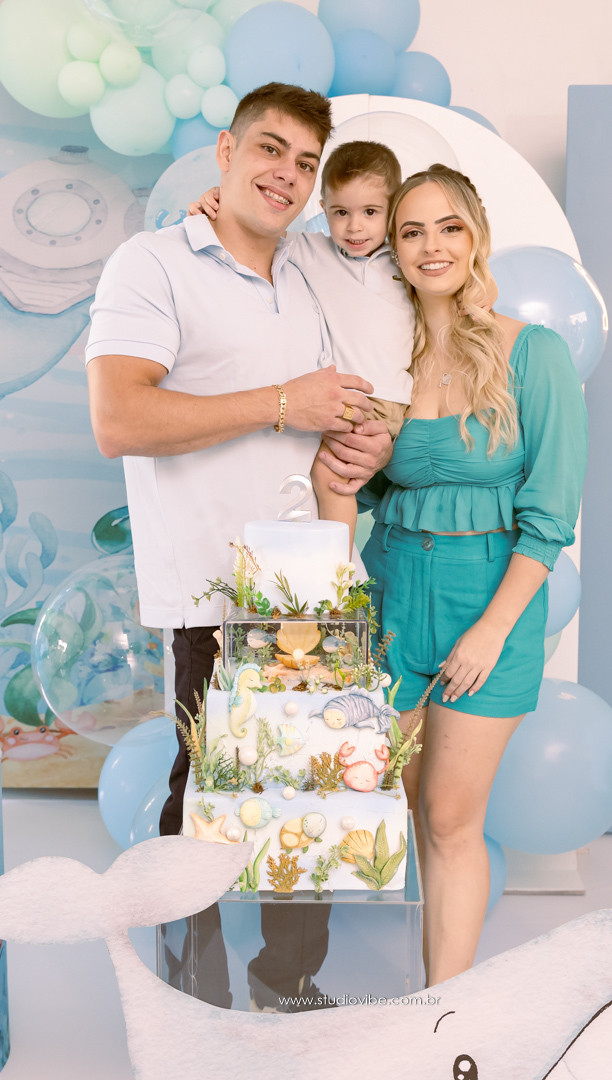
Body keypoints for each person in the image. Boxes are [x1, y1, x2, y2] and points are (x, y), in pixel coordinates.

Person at [85, 81, 393, 1011]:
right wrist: (281, 404)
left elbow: (359, 385)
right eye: (269, 149)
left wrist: (369, 441)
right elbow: (119, 417)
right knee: (206, 803)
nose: (287, 174)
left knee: (312, 798)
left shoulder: (311, 267)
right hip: (213, 592)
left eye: (305, 162)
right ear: (225, 151)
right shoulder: (151, 263)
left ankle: (285, 983)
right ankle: (189, 1005)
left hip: (312, 583)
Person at [360, 164, 588, 987]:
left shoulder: (534, 354)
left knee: (453, 821)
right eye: (412, 231)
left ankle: (444, 1019)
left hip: (487, 604)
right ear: (393, 248)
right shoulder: (384, 359)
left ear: (476, 236)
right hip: (392, 598)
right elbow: (369, 488)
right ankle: (433, 995)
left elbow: (550, 514)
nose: (432, 246)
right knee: (409, 811)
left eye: (449, 227)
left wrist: (491, 630)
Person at [190, 142, 497, 549]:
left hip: (384, 399)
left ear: (392, 210)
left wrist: (486, 289)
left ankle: (336, 568)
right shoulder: (311, 250)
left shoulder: (403, 259)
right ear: (323, 208)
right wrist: (217, 201)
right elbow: (251, 231)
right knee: (291, 466)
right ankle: (300, 560)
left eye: (370, 212)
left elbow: (463, 281)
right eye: (341, 213)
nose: (354, 228)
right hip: (338, 394)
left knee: (329, 477)